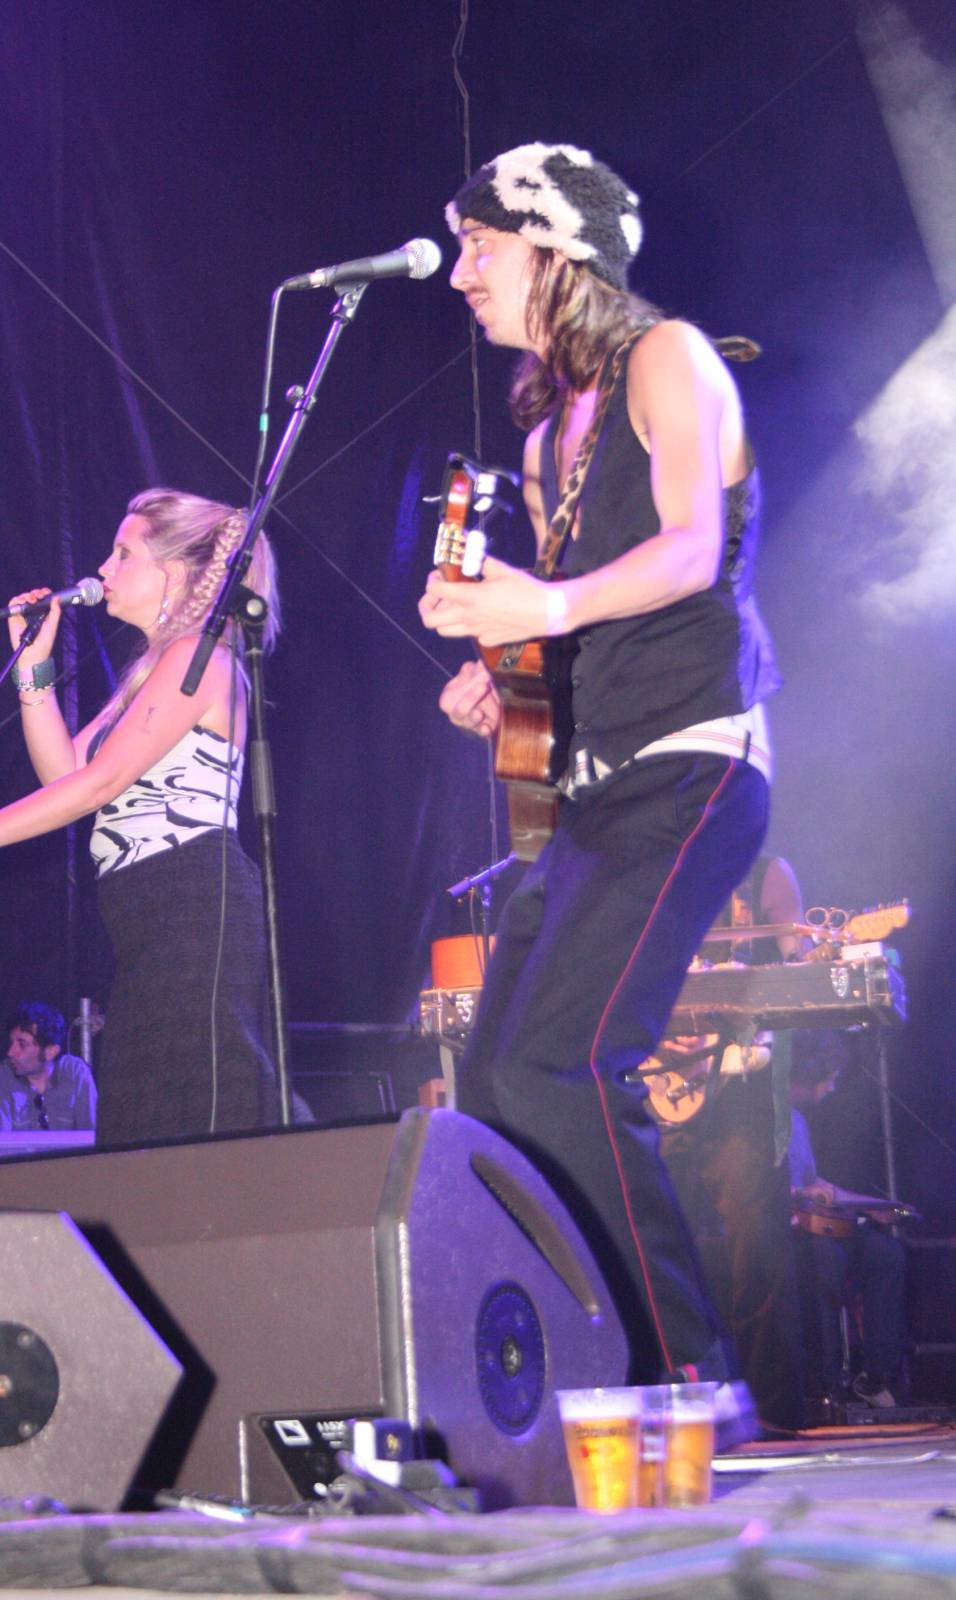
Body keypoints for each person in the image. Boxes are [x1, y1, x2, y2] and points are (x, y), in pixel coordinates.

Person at [419, 143, 780, 1396]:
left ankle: (685, 1375)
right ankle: (583, 1363)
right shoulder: (542, 439)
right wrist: (507, 673)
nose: (459, 272)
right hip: (597, 787)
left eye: (480, 244)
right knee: (495, 1076)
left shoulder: (667, 357)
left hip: (693, 761)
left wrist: (546, 605)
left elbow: (689, 550)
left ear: (556, 249)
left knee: (567, 1060)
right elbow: (567, 633)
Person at [0, 490, 280, 1146]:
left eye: (123, 553)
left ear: (173, 573)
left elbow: (98, 784)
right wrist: (33, 668)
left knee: (192, 1118)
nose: (103, 567)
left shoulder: (200, 657)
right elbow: (66, 773)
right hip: (149, 916)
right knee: (143, 1120)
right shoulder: (147, 677)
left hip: (193, 902)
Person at [659, 853, 809, 1434]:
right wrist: (658, 1037)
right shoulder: (653, 868)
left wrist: (820, 958)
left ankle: (773, 1412)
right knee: (654, 1246)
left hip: (741, 1089)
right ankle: (669, 1405)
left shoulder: (764, 874)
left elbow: (799, 966)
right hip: (663, 1084)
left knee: (759, 1249)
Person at [789, 1036, 908, 1408]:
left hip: (819, 1227)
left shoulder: (798, 1122)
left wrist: (870, 1206)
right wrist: (800, 1192)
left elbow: (818, 1186)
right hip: (785, 1233)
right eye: (831, 1078)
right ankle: (826, 1384)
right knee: (827, 1262)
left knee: (886, 1254)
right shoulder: (762, 1119)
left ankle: (875, 1377)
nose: (833, 1087)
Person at [0, 1001, 97, 1132]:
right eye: (11, 1042)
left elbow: (93, 1134)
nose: (10, 1052)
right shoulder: (1, 1076)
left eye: (22, 1045)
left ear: (50, 1052)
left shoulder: (75, 1072)